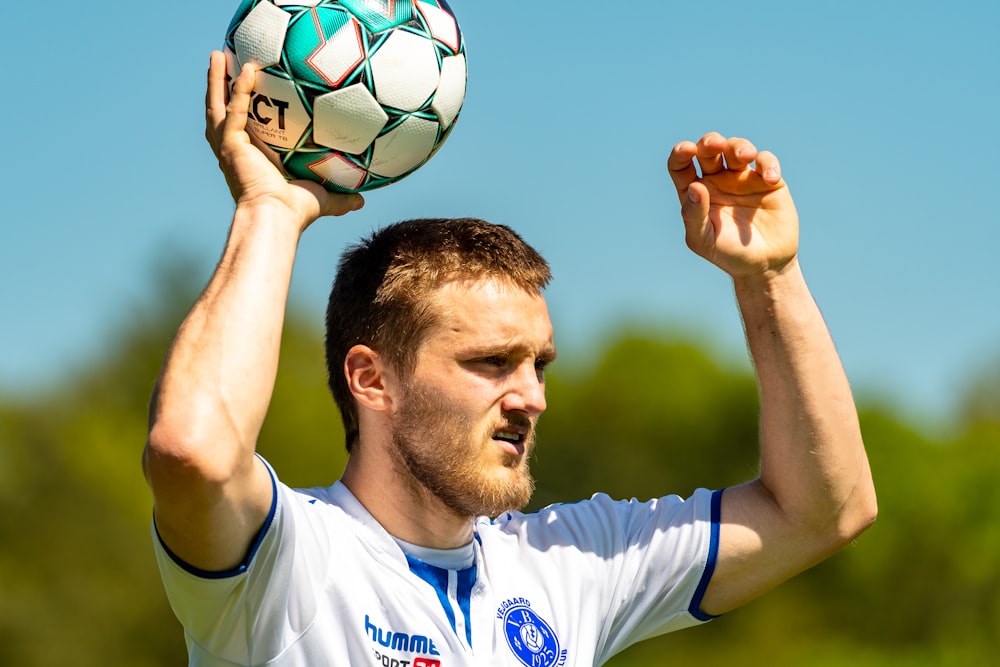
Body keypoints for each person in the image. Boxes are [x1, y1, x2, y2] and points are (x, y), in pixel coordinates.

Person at [143, 51, 877, 666]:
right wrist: (270, 210)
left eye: (539, 364)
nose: (532, 397)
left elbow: (824, 509)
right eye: (493, 363)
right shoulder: (287, 559)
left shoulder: (569, 564)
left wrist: (769, 278)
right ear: (372, 379)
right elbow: (193, 451)